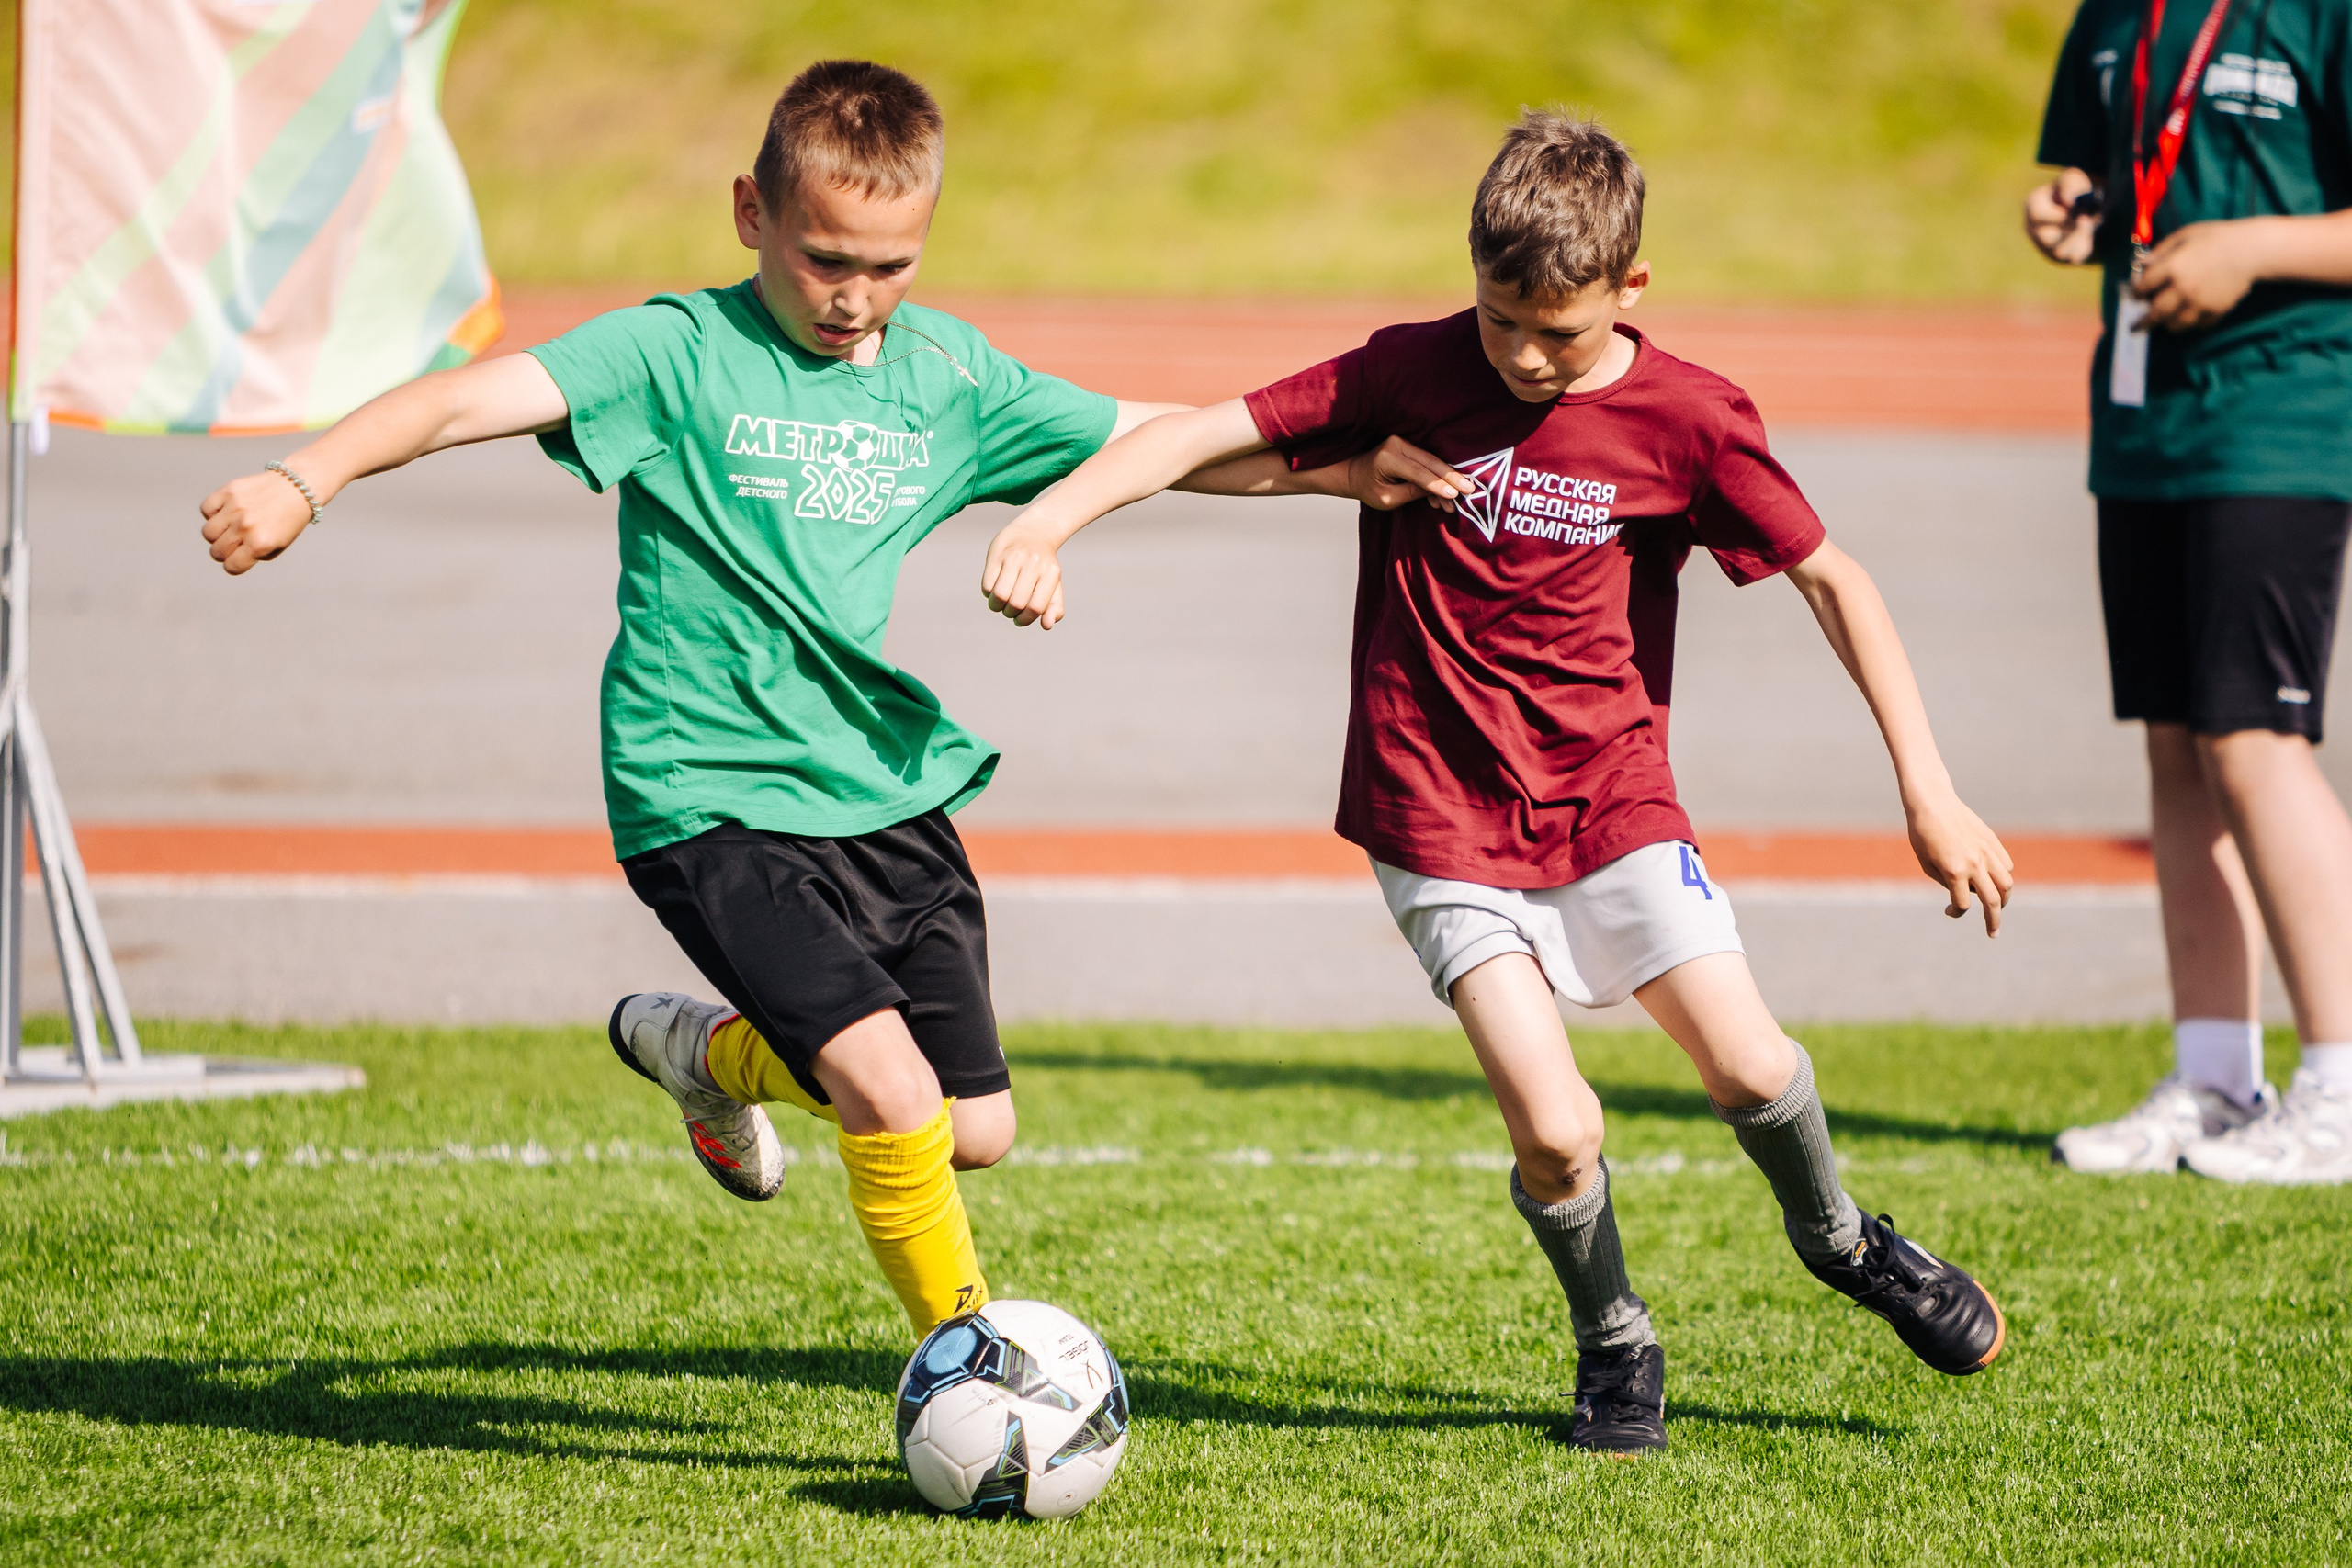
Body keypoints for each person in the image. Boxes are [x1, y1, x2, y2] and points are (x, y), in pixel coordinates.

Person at [193, 60, 1439, 1337]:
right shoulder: (678, 353)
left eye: (889, 266)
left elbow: (1153, 439)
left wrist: (1343, 472)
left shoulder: (946, 378)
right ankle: (972, 1357)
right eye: (825, 259)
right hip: (706, 793)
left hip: (879, 782)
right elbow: (468, 399)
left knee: (977, 1132)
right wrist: (310, 475)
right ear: (752, 214)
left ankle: (705, 1055)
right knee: (891, 1097)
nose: (853, 298)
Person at [976, 112, 2017, 1455]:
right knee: (1559, 1131)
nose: (1523, 355)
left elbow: (1836, 577)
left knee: (1753, 1064)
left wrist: (1928, 793)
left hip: (1615, 802)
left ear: (1631, 289)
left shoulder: (1693, 418)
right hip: (1437, 814)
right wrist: (1046, 523)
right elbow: (1196, 437)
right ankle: (1615, 1343)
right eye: (1499, 318)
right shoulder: (1413, 369)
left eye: (1559, 331)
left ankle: (1837, 1238)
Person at [2028, 1, 2352, 1184]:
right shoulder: (2117, 10)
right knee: (2176, 746)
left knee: (2254, 740)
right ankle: (2216, 1077)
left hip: (2279, 416)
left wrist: (2250, 247)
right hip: (2145, 418)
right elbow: (2114, 171)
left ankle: (2340, 1088)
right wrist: (2073, 208)